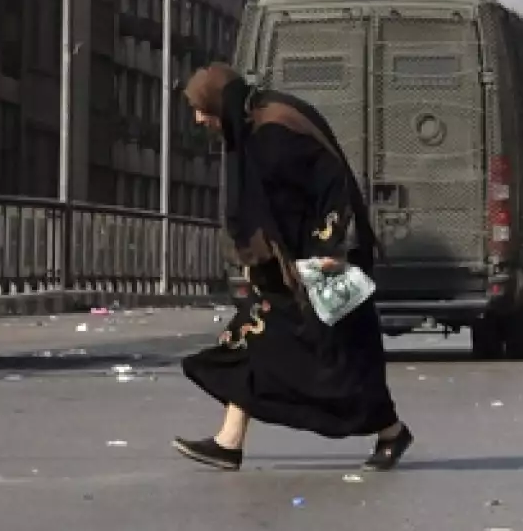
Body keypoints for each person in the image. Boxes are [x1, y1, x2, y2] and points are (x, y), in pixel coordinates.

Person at [172, 62, 413, 472]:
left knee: (339, 359)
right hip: (288, 269)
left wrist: (326, 251)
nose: (199, 118)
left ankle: (390, 430)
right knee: (251, 339)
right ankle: (229, 441)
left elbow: (330, 183)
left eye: (201, 108)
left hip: (321, 266)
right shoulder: (253, 127)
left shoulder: (275, 132)